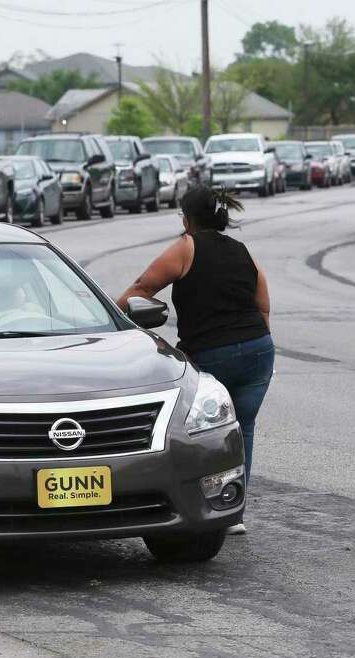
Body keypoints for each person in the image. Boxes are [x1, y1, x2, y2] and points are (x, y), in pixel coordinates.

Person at [117, 185, 273, 535]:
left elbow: (143, 288)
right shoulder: (244, 252)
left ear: (186, 219)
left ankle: (205, 506)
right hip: (258, 350)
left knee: (201, 432)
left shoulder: (187, 248)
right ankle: (235, 512)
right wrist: (254, 346)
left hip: (212, 354)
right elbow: (263, 306)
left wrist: (110, 319)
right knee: (240, 428)